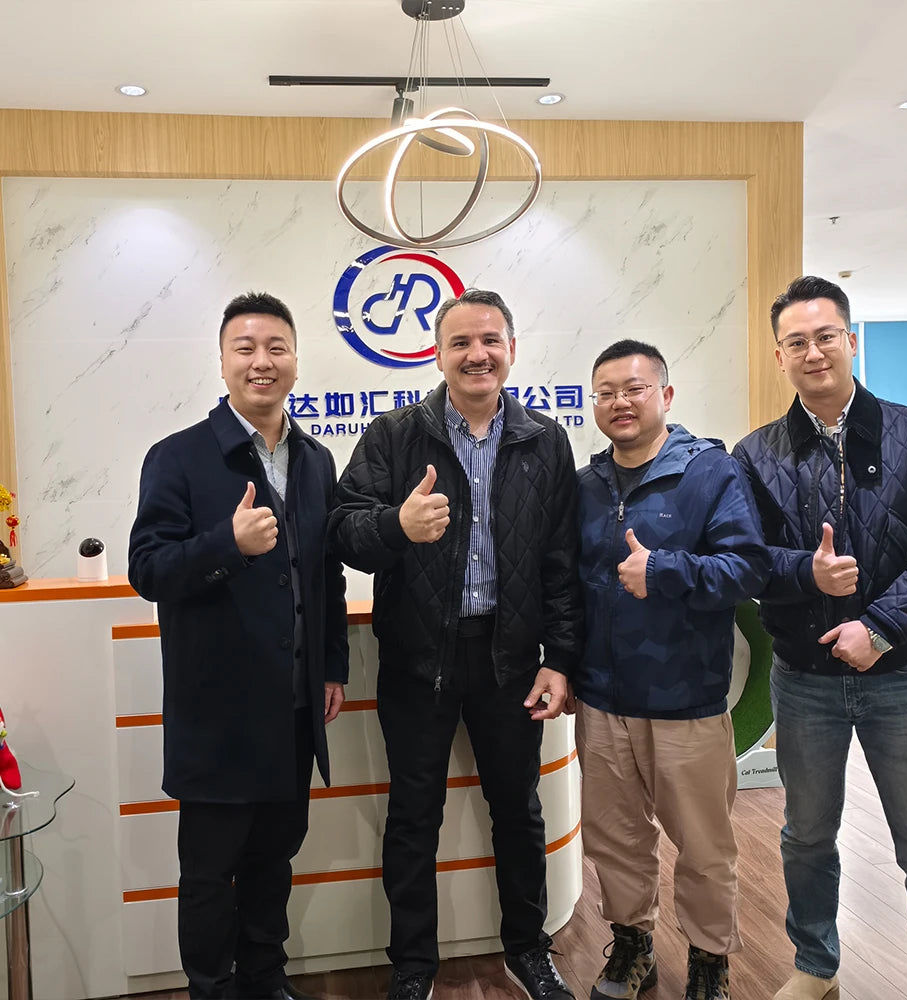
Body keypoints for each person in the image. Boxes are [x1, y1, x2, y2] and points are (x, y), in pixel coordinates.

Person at [733, 276, 907, 1000]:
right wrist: (807, 574)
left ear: (850, 341)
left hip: (902, 679)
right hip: (803, 682)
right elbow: (745, 560)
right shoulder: (756, 454)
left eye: (825, 337)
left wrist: (879, 627)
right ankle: (816, 967)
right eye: (796, 342)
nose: (813, 352)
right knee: (806, 837)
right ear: (779, 356)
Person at [329, 288, 583, 1000]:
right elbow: (343, 530)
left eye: (491, 340)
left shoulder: (543, 440)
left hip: (512, 662)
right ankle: (413, 966)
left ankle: (528, 949)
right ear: (438, 355)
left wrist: (561, 659)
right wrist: (396, 526)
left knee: (519, 812)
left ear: (512, 350)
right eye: (461, 343)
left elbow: (561, 562)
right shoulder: (394, 435)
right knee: (414, 818)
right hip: (418, 660)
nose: (478, 355)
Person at [128, 291, 349, 1000]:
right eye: (245, 348)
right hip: (216, 715)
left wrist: (331, 666)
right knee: (208, 872)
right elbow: (148, 570)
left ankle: (264, 974)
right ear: (222, 361)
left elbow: (326, 574)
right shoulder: (178, 457)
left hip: (293, 710)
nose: (262, 362)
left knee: (273, 859)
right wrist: (227, 543)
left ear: (296, 360)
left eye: (276, 347)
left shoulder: (314, 460)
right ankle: (211, 987)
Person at [574, 340, 768, 1000]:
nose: (620, 402)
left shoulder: (710, 473)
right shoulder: (587, 486)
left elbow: (747, 569)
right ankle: (633, 946)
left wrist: (663, 569)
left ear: (666, 394)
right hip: (603, 700)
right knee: (614, 839)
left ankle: (711, 959)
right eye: (605, 392)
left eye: (634, 388)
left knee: (705, 846)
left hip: (687, 699)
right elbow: (567, 586)